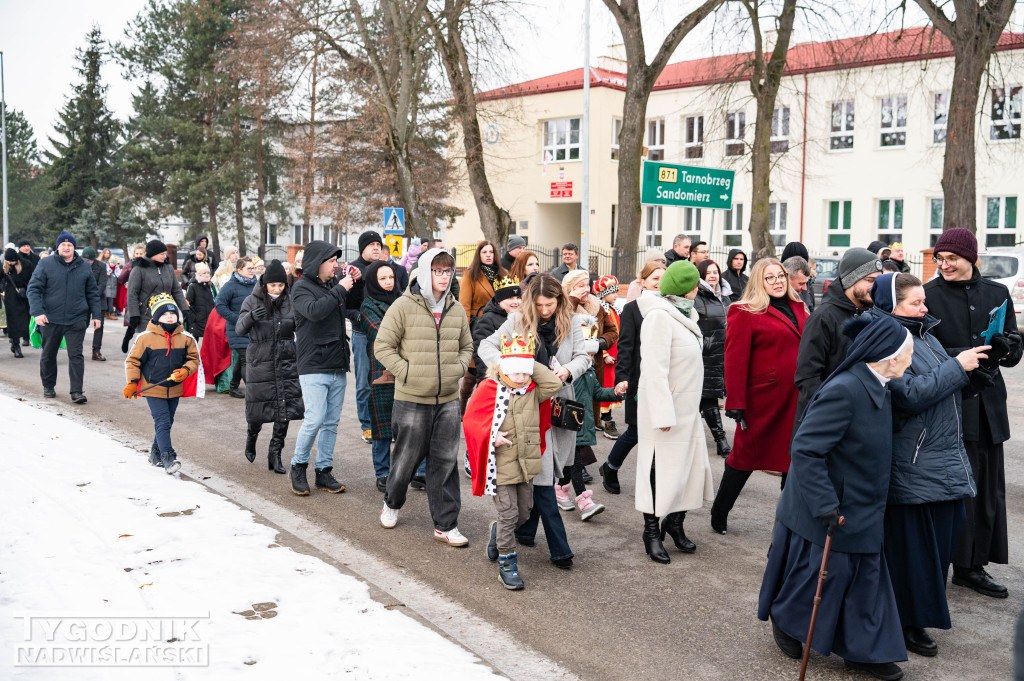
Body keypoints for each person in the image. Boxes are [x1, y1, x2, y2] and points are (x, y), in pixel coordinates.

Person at [758, 314, 914, 681]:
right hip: (834, 505)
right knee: (828, 577)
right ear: (890, 357)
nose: (912, 359)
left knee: (864, 580)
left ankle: (862, 651)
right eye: (909, 353)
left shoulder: (878, 382)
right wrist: (825, 503)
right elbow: (807, 449)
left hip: (863, 504)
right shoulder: (845, 389)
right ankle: (786, 619)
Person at [867, 272, 989, 657]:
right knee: (914, 555)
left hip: (943, 459)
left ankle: (918, 617)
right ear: (891, 305)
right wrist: (958, 366)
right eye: (915, 303)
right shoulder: (884, 338)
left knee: (938, 548)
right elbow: (907, 395)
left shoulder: (924, 334)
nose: (925, 307)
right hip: (914, 463)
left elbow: (945, 385)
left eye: (924, 301)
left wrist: (983, 366)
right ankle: (906, 622)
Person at [924, 227, 1022, 599]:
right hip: (952, 403)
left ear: (971, 259)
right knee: (952, 489)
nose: (944, 265)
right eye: (940, 259)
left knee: (986, 490)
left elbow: (1013, 354)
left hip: (989, 408)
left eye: (952, 259)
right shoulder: (929, 296)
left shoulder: (997, 293)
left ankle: (973, 567)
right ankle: (941, 563)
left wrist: (1008, 347)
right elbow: (922, 351)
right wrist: (963, 355)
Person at [478, 274, 591, 567]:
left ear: (559, 300)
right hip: (525, 408)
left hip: (559, 406)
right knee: (542, 482)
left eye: (550, 304)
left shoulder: (573, 321)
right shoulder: (517, 321)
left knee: (547, 474)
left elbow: (584, 357)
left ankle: (521, 531)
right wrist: (509, 368)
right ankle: (561, 551)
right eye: (539, 304)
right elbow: (485, 346)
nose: (544, 310)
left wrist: (567, 371)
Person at [375, 247, 473, 546]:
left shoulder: (456, 309)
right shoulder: (403, 306)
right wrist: (407, 372)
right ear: (426, 272)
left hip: (446, 401)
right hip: (412, 398)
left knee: (445, 463)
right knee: (405, 459)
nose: (444, 277)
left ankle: (446, 524)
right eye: (438, 271)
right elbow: (382, 346)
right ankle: (392, 502)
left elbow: (467, 347)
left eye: (447, 271)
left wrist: (457, 368)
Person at [713, 257, 809, 534]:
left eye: (780, 276)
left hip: (797, 399)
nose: (777, 281)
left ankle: (786, 523)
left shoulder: (800, 308)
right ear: (759, 281)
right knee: (744, 459)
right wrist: (736, 402)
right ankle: (720, 512)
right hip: (762, 401)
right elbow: (734, 359)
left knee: (793, 459)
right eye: (770, 277)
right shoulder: (744, 311)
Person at [465, 334, 563, 590]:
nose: (520, 377)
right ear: (503, 368)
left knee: (524, 514)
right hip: (501, 465)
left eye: (525, 372)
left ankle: (497, 531)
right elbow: (471, 421)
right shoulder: (489, 388)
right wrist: (491, 434)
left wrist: (528, 360)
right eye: (514, 371)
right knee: (509, 514)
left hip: (526, 464)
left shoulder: (533, 391)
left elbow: (553, 383)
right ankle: (507, 564)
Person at [634, 261, 715, 563]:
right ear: (688, 287)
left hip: (687, 409)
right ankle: (652, 532)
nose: (699, 288)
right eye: (696, 284)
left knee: (688, 469)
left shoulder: (685, 314)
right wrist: (663, 413)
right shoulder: (658, 317)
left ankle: (675, 523)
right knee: (658, 471)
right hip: (665, 414)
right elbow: (654, 370)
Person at [289, 240, 355, 496]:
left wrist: (352, 282)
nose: (336, 266)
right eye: (331, 261)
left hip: (337, 365)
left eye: (336, 261)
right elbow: (315, 312)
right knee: (314, 419)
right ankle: (298, 466)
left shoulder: (331, 286)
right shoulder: (301, 288)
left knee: (330, 423)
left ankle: (323, 471)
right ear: (318, 263)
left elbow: (345, 307)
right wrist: (340, 289)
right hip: (314, 364)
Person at [599, 260, 666, 494]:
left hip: (664, 381)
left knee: (661, 432)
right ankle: (610, 467)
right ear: (643, 282)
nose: (659, 283)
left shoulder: (671, 306)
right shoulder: (633, 309)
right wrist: (622, 378)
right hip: (639, 379)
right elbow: (625, 347)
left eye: (662, 278)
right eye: (654, 278)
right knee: (636, 431)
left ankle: (655, 483)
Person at [793, 247, 881, 420]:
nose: (875, 287)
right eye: (870, 280)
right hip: (827, 420)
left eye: (878, 280)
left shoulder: (870, 314)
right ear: (851, 280)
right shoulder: (822, 318)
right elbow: (807, 377)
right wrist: (830, 412)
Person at [236, 260, 304, 475]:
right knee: (258, 409)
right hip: (260, 360)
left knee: (284, 411)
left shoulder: (290, 303)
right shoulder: (251, 300)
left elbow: (299, 327)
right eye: (273, 285)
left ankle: (275, 453)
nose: (277, 289)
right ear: (265, 284)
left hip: (285, 360)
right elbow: (239, 329)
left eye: (281, 286)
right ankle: (251, 438)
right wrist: (250, 317)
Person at [359, 260, 420, 493]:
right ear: (374, 280)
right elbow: (379, 331)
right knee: (382, 427)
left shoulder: (403, 301)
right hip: (380, 370)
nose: (387, 282)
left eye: (391, 278)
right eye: (382, 278)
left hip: (407, 367)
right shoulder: (368, 304)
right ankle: (383, 472)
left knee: (413, 424)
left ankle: (418, 471)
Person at [123, 293, 200, 474]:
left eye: (173, 313)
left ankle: (154, 454)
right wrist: (133, 383)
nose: (170, 316)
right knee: (163, 421)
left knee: (167, 421)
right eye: (165, 314)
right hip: (153, 387)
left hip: (174, 388)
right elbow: (133, 361)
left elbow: (193, 359)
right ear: (157, 317)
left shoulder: (186, 338)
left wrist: (185, 371)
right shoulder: (145, 338)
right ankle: (168, 456)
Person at [558, 317, 625, 521]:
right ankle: (583, 500)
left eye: (591, 354)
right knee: (576, 462)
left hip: (583, 423)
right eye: (584, 353)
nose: (588, 357)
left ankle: (560, 492)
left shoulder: (588, 372)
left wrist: (615, 392)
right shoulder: (568, 372)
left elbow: (597, 393)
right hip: (569, 423)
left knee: (571, 462)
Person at [26, 232, 102, 403]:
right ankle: (48, 385)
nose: (66, 248)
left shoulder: (84, 266)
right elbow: (34, 289)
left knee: (76, 355)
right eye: (63, 245)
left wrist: (97, 315)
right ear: (58, 247)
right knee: (48, 354)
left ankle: (76, 392)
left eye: (70, 245)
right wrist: (37, 312)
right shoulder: (45, 264)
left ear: (74, 248)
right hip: (50, 318)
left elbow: (92, 293)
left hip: (76, 319)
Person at [562, 269, 618, 435]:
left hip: (594, 365)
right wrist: (573, 300)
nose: (586, 289)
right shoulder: (562, 304)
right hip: (571, 366)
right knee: (571, 413)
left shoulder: (595, 304)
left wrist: (601, 342)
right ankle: (576, 455)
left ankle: (581, 453)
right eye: (581, 285)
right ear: (570, 288)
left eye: (587, 285)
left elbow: (612, 330)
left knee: (588, 412)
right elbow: (561, 324)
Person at [347, 230, 383, 443]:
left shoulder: (385, 269)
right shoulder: (352, 270)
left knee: (385, 381)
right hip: (362, 334)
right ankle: (367, 426)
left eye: (379, 244)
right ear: (363, 248)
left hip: (385, 334)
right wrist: (359, 317)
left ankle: (383, 424)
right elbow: (346, 304)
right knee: (364, 383)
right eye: (372, 244)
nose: (376, 247)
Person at [694, 259, 732, 457]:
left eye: (715, 272)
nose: (712, 275)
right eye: (708, 273)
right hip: (704, 355)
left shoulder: (726, 297)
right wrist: (706, 344)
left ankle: (716, 441)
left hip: (723, 355)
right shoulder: (698, 296)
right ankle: (721, 441)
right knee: (707, 398)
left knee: (707, 398)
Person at [216, 256, 259, 399]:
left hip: (253, 329)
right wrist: (239, 319)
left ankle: (233, 386)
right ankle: (254, 391)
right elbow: (220, 306)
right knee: (246, 359)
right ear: (239, 270)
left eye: (253, 268)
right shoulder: (230, 286)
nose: (252, 271)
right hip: (237, 330)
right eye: (249, 269)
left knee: (243, 360)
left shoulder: (256, 284)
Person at [126, 240, 189, 333]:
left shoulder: (168, 268)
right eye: (162, 254)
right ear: (153, 254)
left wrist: (185, 309)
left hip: (167, 315)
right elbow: (132, 294)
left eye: (166, 254)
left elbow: (177, 290)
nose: (165, 256)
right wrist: (134, 315)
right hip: (146, 316)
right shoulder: (139, 269)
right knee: (150, 345)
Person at [592, 275, 623, 438]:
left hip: (616, 356)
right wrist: (604, 355)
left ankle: (603, 418)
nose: (616, 295)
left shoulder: (615, 310)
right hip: (607, 357)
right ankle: (606, 419)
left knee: (612, 386)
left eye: (616, 292)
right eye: (612, 292)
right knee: (604, 387)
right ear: (603, 293)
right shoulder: (600, 309)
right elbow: (600, 334)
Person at [2, 247, 33, 356]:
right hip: (10, 296)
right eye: (8, 261)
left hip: (23, 295)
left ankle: (23, 338)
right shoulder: (4, 267)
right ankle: (16, 345)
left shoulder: (26, 265)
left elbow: (32, 278)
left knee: (24, 321)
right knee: (13, 321)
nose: (10, 263)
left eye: (12, 261)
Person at [81, 247, 109, 362]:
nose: (88, 262)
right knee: (82, 325)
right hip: (83, 300)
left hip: (98, 299)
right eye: (85, 260)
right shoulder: (79, 265)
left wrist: (92, 296)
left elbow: (102, 285)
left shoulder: (101, 266)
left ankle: (96, 351)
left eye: (90, 260)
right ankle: (77, 350)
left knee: (99, 326)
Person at [185, 262, 215, 340]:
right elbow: (188, 304)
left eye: (208, 273)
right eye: (204, 273)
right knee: (194, 344)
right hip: (197, 322)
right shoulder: (192, 286)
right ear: (199, 274)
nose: (206, 275)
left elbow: (213, 302)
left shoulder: (209, 286)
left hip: (208, 320)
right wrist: (194, 318)